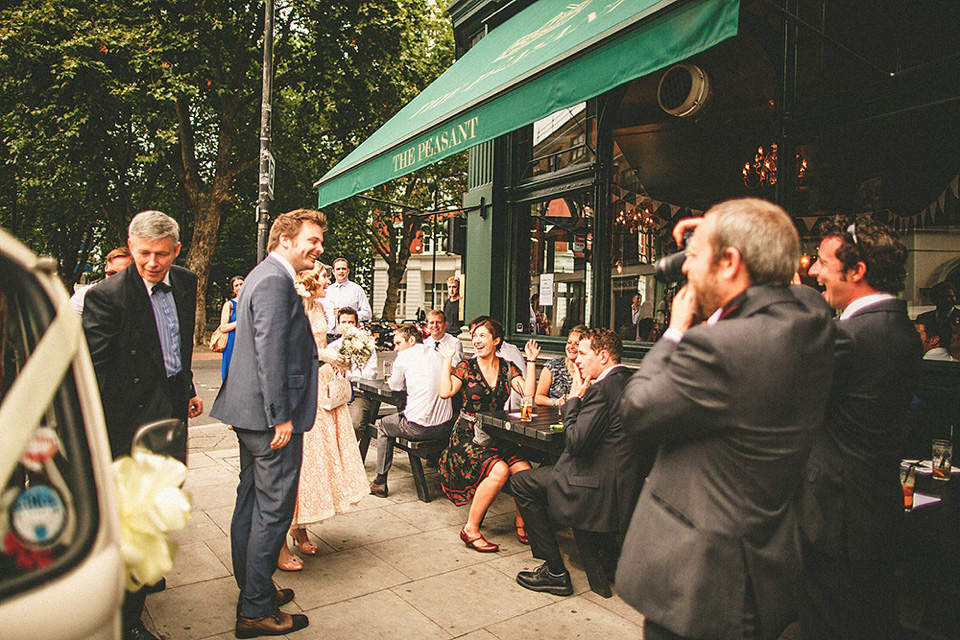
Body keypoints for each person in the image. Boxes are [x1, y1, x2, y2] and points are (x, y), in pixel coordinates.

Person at [616, 198, 836, 640]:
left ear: (731, 262)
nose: (687, 271)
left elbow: (636, 409)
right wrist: (723, 230)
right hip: (760, 569)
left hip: (702, 584)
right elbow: (795, 287)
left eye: (694, 259)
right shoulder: (812, 321)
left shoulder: (721, 347)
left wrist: (676, 328)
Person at [799, 216, 923, 640]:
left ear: (856, 271)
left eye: (821, 262)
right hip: (877, 510)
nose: (813, 271)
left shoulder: (850, 337)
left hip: (836, 522)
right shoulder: (902, 329)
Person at [83, 211, 203, 640]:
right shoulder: (108, 296)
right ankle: (127, 623)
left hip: (170, 410)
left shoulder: (186, 283)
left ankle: (146, 574)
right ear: (131, 247)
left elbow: (177, 345)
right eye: (144, 253)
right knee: (132, 518)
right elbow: (92, 371)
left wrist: (187, 386)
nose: (152, 262)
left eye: (162, 254)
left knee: (164, 505)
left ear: (176, 250)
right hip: (129, 421)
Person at [210, 208, 326, 638]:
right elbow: (269, 352)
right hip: (269, 417)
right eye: (311, 240)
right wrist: (281, 417)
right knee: (273, 511)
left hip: (247, 413)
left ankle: (253, 588)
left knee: (251, 503)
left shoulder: (261, 273)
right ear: (284, 239)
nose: (318, 248)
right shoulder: (276, 280)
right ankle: (255, 610)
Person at [512, 328, 652, 596]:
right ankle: (608, 557)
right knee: (546, 471)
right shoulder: (633, 381)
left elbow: (575, 443)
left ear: (603, 356)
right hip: (625, 484)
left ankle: (554, 571)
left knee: (521, 482)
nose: (576, 359)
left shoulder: (601, 390)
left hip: (597, 490)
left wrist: (573, 400)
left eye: (583, 353)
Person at [277, 266, 368, 571]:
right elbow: (289, 351)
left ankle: (300, 527)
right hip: (302, 388)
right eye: (325, 277)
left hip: (322, 384)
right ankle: (283, 539)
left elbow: (317, 345)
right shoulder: (297, 303)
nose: (330, 282)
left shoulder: (319, 305)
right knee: (300, 462)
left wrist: (337, 356)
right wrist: (322, 355)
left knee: (315, 462)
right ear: (309, 281)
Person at [437, 317, 539, 552]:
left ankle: (522, 521)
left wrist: (531, 361)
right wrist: (447, 361)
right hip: (467, 434)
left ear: (496, 341)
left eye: (482, 336)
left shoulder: (507, 368)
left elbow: (528, 393)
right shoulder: (466, 367)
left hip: (496, 433)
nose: (477, 340)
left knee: (524, 470)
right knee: (500, 470)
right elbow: (445, 392)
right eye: (474, 336)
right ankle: (470, 529)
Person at [369, 324, 454, 496]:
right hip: (445, 426)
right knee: (407, 413)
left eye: (398, 343)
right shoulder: (437, 354)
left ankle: (380, 481)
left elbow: (394, 385)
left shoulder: (405, 356)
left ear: (412, 340)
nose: (395, 348)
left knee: (384, 424)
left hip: (419, 429)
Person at [328, 306, 379, 440]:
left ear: (357, 324)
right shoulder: (332, 348)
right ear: (338, 325)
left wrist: (346, 373)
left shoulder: (367, 346)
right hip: (335, 393)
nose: (347, 326)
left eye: (351, 322)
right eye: (344, 322)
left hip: (358, 393)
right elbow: (328, 375)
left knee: (355, 424)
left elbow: (370, 374)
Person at [534, 324, 588, 408]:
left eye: (577, 344)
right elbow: (538, 398)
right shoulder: (553, 366)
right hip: (556, 416)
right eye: (569, 343)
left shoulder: (589, 369)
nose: (571, 347)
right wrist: (555, 402)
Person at [70, 246, 133, 314]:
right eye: (111, 273)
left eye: (123, 275)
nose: (116, 279)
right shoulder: (83, 296)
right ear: (106, 268)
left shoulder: (141, 301)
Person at [327, 257, 372, 330]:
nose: (341, 271)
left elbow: (368, 314)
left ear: (348, 271)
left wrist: (349, 315)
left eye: (343, 269)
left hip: (349, 335)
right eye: (338, 269)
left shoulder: (357, 289)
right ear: (333, 271)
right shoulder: (327, 290)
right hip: (328, 334)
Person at [218, 275, 244, 380]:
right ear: (233, 289)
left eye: (241, 284)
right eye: (236, 285)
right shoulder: (229, 305)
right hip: (232, 341)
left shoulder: (251, 302)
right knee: (230, 373)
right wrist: (240, 322)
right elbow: (223, 327)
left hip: (246, 340)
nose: (239, 287)